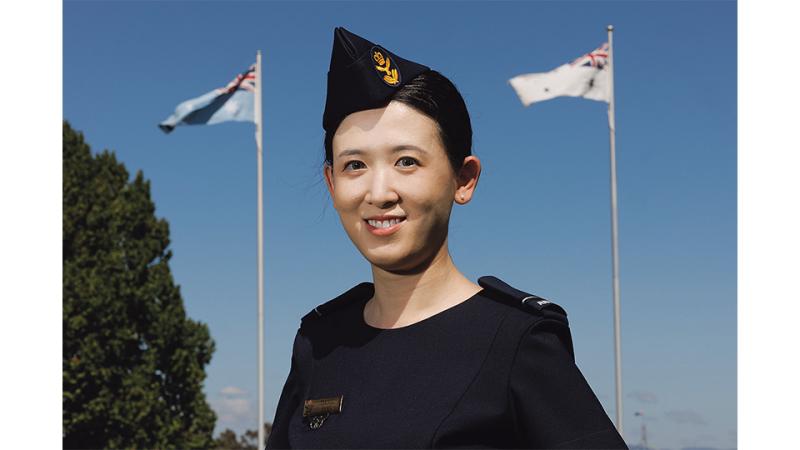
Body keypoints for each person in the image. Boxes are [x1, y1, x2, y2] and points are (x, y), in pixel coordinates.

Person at [265, 27, 627, 449]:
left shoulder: (515, 340)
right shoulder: (318, 341)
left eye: (406, 161)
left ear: (463, 178)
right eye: (354, 166)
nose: (379, 193)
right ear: (332, 184)